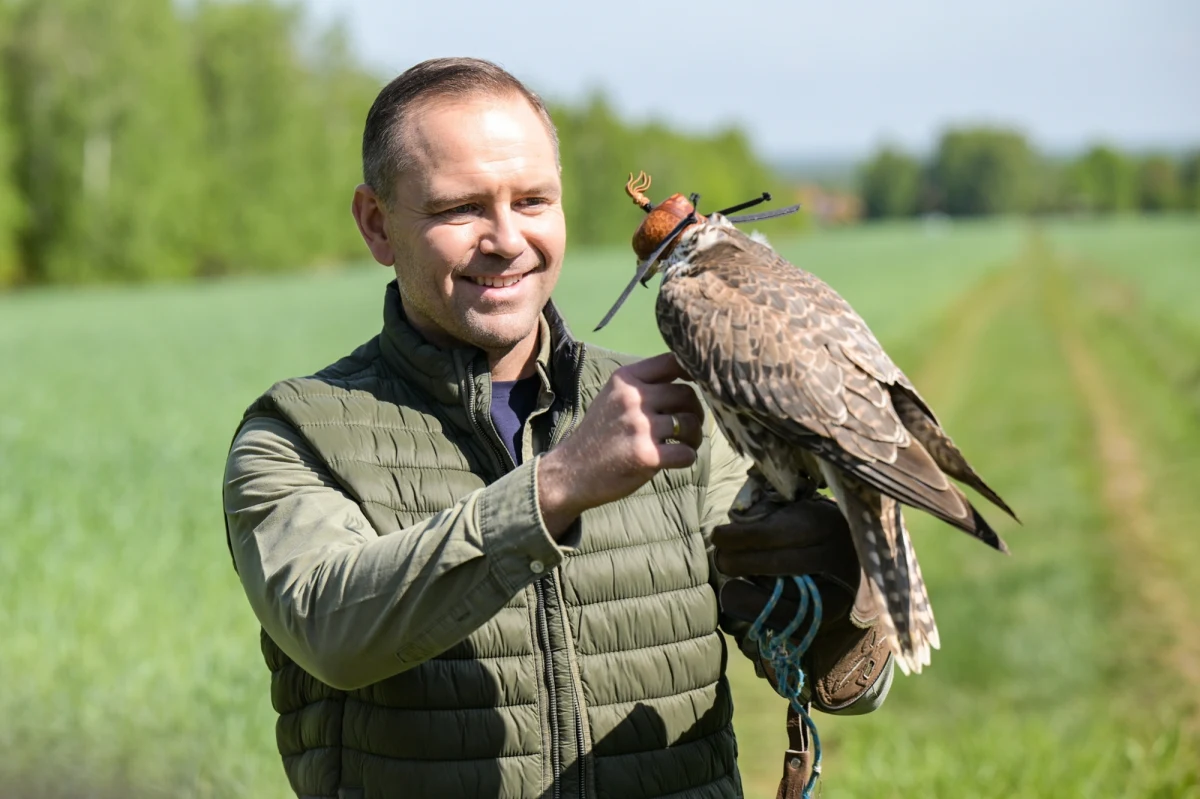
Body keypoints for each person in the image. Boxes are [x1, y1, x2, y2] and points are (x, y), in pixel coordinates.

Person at [222, 57, 892, 799]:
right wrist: (560, 484)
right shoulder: (299, 434)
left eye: (534, 200)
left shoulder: (673, 406)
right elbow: (332, 632)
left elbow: (848, 683)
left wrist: (843, 612)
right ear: (377, 224)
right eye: (460, 208)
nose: (507, 239)